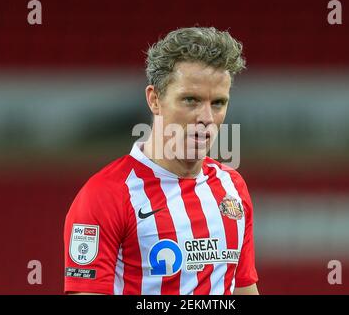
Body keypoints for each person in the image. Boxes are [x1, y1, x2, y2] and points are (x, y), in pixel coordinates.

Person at [64, 27, 259, 295]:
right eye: (191, 100)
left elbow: (243, 289)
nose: (206, 117)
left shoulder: (232, 190)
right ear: (154, 99)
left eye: (217, 103)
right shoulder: (105, 195)